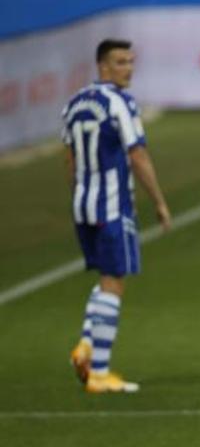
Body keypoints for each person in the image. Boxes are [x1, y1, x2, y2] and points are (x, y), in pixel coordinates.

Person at [63, 38, 171, 393]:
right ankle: (99, 373)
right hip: (111, 205)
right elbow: (137, 155)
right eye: (122, 62)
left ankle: (85, 344)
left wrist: (78, 196)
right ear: (104, 66)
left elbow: (70, 160)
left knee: (106, 277)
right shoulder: (120, 102)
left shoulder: (74, 103)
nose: (129, 68)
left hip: (83, 204)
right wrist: (158, 200)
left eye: (131, 61)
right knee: (115, 281)